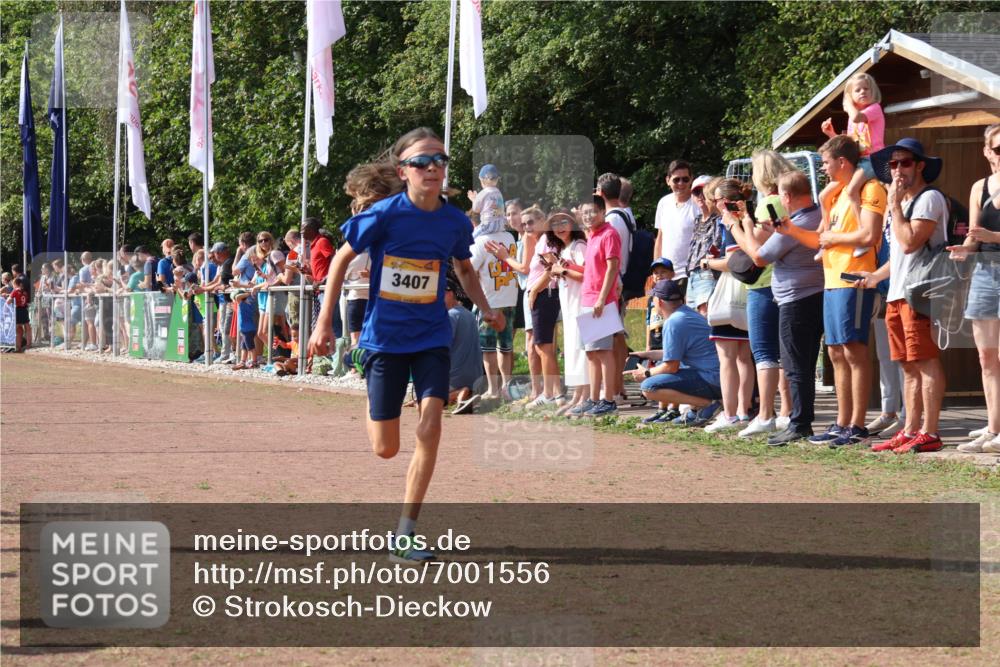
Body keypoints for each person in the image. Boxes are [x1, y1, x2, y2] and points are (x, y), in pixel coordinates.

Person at [308, 127, 505, 563]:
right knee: (386, 448)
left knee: (431, 425)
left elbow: (465, 269)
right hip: (385, 339)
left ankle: (405, 532)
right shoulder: (383, 215)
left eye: (439, 160)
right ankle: (368, 377)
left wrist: (487, 309)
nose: (432, 168)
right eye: (421, 162)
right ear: (403, 171)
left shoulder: (454, 221)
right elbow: (339, 261)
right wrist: (324, 324)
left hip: (432, 335)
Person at [776, 135, 886, 448]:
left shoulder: (869, 189)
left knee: (853, 350)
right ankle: (842, 422)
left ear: (842, 161)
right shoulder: (835, 194)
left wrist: (833, 239)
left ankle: (857, 425)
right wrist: (792, 230)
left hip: (855, 278)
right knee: (836, 352)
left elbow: (869, 235)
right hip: (832, 280)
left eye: (825, 162)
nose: (822, 168)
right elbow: (820, 239)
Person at [854, 138, 947, 454]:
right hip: (897, 293)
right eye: (893, 164)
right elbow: (898, 258)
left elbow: (910, 243)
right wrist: (874, 277)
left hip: (921, 292)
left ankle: (930, 432)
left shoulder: (928, 198)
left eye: (905, 163)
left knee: (925, 360)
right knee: (906, 365)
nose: (897, 170)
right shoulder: (903, 204)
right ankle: (910, 430)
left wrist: (893, 205)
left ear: (920, 165)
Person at [741, 171, 826, 445]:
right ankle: (801, 420)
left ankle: (800, 423)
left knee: (795, 365)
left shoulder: (799, 223)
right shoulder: (818, 215)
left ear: (787, 196)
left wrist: (741, 226)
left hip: (796, 300)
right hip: (816, 296)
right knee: (804, 363)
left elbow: (759, 256)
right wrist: (774, 230)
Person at [727, 150, 794, 437]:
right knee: (783, 351)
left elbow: (755, 250)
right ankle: (786, 411)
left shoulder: (769, 203)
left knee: (765, 352)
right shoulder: (787, 201)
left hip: (764, 284)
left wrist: (733, 225)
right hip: (783, 283)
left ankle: (766, 414)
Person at [951, 124, 1000, 453]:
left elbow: (986, 234)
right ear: (986, 151)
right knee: (986, 356)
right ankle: (993, 428)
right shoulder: (979, 187)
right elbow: (973, 235)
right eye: (998, 149)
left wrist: (991, 237)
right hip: (984, 271)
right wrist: (964, 250)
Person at [627, 279, 722, 422]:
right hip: (717, 376)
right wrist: (645, 354)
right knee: (663, 371)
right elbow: (673, 354)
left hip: (712, 379)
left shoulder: (673, 322)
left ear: (659, 302)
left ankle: (707, 405)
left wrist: (646, 373)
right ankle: (697, 409)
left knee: (648, 387)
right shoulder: (686, 314)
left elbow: (671, 366)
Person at [700, 179, 754, 432]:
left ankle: (730, 414)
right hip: (748, 293)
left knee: (727, 358)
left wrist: (708, 263)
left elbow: (733, 262)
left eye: (716, 199)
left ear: (725, 201)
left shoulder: (730, 222)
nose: (713, 203)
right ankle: (742, 412)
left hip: (731, 297)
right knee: (744, 357)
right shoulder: (748, 217)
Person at [821, 72, 885, 258]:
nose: (863, 92)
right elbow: (850, 145)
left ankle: (861, 235)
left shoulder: (874, 109)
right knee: (824, 195)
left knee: (851, 190)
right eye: (858, 90)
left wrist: (848, 102)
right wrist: (832, 135)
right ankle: (826, 236)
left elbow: (857, 117)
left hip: (874, 159)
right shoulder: (852, 117)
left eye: (866, 89)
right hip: (859, 160)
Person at [569, 195, 622, 417]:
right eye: (585, 212)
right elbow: (592, 269)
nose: (588, 216)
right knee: (591, 353)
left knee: (603, 352)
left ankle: (608, 400)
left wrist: (602, 298)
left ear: (602, 212)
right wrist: (568, 266)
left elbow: (612, 267)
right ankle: (593, 398)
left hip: (601, 301)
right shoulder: (592, 235)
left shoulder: (609, 234)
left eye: (592, 211)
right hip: (587, 299)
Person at [487, 205, 544, 402]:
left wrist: (505, 257)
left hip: (533, 291)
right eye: (508, 214)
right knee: (526, 341)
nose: (512, 218)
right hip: (523, 291)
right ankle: (534, 387)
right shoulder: (519, 238)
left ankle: (539, 389)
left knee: (534, 342)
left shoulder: (528, 237)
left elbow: (525, 268)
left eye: (515, 213)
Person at [469, 177, 518, 402]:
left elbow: (469, 270)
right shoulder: (509, 236)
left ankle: (493, 389)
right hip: (509, 296)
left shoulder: (481, 240)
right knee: (506, 345)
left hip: (488, 299)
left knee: (488, 347)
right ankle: (507, 386)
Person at [597, 172, 633, 403]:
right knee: (616, 336)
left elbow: (611, 258)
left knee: (610, 339)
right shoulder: (624, 215)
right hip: (618, 281)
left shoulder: (612, 220)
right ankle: (617, 387)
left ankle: (613, 388)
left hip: (612, 284)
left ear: (600, 193)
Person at [654, 159, 700, 295]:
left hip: (690, 274)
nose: (681, 183)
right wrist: (656, 269)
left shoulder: (698, 204)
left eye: (685, 179)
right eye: (676, 180)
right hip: (665, 275)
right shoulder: (664, 203)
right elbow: (660, 238)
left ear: (691, 179)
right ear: (668, 180)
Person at [445, 278, 485, 414]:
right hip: (476, 376)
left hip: (456, 377)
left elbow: (442, 347)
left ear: (450, 293)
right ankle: (466, 394)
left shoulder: (450, 316)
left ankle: (459, 393)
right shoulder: (469, 314)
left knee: (427, 399)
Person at [684, 175, 723, 314]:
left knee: (705, 316)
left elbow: (718, 247)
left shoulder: (719, 218)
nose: (700, 196)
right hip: (692, 274)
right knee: (693, 320)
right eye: (696, 192)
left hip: (707, 272)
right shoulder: (698, 219)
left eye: (703, 191)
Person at [467, 164, 506, 232]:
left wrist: (474, 199)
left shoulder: (483, 193)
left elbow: (475, 209)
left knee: (473, 236)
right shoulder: (499, 193)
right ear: (497, 180)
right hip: (500, 225)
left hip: (487, 224)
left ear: (482, 180)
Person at [8, 276, 31, 352]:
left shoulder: (15, 291)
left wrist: (10, 297)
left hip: (18, 310)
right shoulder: (24, 291)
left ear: (15, 284)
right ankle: (28, 344)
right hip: (24, 310)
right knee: (27, 327)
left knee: (17, 328)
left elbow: (8, 301)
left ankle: (16, 346)